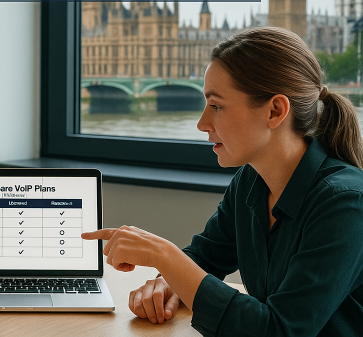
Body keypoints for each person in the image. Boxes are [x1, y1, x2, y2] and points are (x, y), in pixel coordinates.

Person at [82, 27, 363, 336]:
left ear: (275, 110)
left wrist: (165, 256)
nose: (202, 123)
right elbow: (205, 259)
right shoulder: (251, 181)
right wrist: (166, 285)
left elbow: (280, 331)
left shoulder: (345, 204)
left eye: (216, 105)